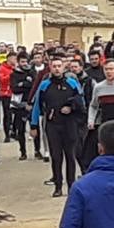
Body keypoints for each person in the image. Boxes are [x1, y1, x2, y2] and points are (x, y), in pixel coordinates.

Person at [31, 57, 86, 197]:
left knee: (70, 156)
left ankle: (71, 185)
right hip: (52, 125)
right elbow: (37, 106)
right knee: (56, 157)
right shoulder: (44, 85)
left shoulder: (72, 83)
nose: (56, 68)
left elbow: (81, 102)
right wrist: (34, 125)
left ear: (63, 68)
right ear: (50, 67)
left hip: (70, 125)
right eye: (54, 66)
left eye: (59, 66)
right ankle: (58, 186)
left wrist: (71, 108)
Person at [9, 53, 35, 160]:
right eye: (22, 62)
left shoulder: (33, 72)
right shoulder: (14, 74)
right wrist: (25, 84)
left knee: (34, 127)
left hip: (31, 104)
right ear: (18, 62)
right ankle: (23, 152)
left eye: (26, 61)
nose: (24, 64)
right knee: (21, 129)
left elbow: (34, 86)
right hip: (19, 105)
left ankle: (37, 150)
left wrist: (22, 84)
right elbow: (14, 88)